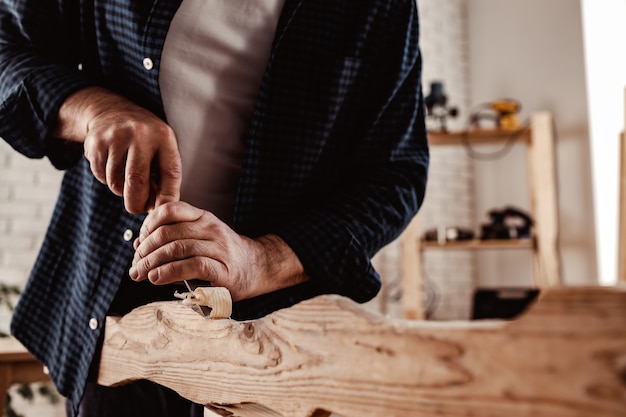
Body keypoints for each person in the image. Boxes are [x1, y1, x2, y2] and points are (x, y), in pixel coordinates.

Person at [0, 0, 429, 416]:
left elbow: (396, 175)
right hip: (117, 316)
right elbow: (6, 49)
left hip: (278, 335)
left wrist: (262, 259)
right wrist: (93, 110)